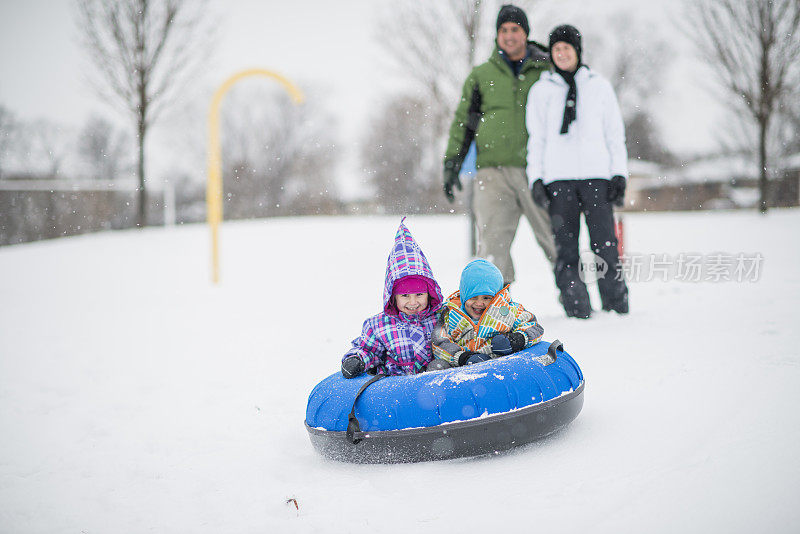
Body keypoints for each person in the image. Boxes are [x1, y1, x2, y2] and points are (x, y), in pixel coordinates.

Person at [442, 4, 556, 286]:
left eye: (514, 29)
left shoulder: (546, 70)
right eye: (503, 30)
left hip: (538, 170)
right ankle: (494, 308)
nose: (508, 35)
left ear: (526, 33)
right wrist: (452, 162)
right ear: (496, 35)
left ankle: (578, 305)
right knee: (492, 246)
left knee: (556, 238)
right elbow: (464, 122)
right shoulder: (481, 75)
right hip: (492, 172)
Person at [526, 24, 629, 319]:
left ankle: (616, 306)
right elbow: (537, 139)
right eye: (556, 49)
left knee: (605, 246)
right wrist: (536, 178)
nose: (561, 54)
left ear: (578, 51)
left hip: (597, 178)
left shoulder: (599, 87)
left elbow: (614, 135)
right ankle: (577, 308)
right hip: (559, 182)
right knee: (566, 249)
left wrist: (618, 173)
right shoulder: (541, 91)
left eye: (566, 48)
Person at [340, 220, 444, 378]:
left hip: (436, 386)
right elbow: (369, 350)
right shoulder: (379, 326)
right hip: (397, 389)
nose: (413, 302)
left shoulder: (441, 316)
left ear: (430, 294)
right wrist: (357, 359)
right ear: (392, 297)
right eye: (405, 296)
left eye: (419, 295)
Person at [428, 259, 544, 369]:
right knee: (437, 366)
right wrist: (464, 357)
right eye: (473, 297)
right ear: (464, 296)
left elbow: (533, 327)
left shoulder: (509, 311)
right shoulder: (451, 315)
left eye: (486, 297)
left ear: (496, 296)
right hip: (463, 370)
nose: (479, 303)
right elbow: (440, 343)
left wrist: (515, 340)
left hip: (502, 366)